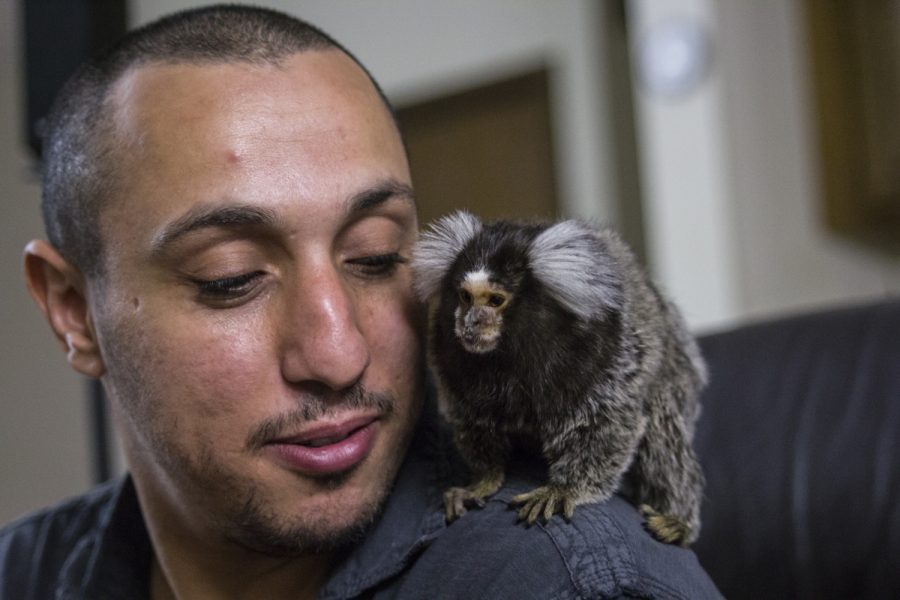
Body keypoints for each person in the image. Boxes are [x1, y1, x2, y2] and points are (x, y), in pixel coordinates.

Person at [0, 5, 722, 599]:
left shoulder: (561, 583)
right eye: (230, 277)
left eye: (376, 259)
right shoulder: (25, 574)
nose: (339, 352)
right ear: (73, 310)